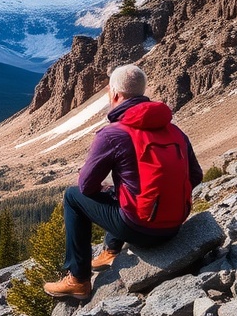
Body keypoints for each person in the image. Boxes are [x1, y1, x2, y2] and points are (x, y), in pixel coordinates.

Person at [43, 64, 203, 300]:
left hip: (140, 229)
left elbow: (86, 187)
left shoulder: (113, 134)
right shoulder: (175, 131)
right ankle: (110, 250)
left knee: (72, 196)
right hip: (174, 226)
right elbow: (196, 176)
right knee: (127, 188)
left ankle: (77, 278)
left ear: (114, 94)